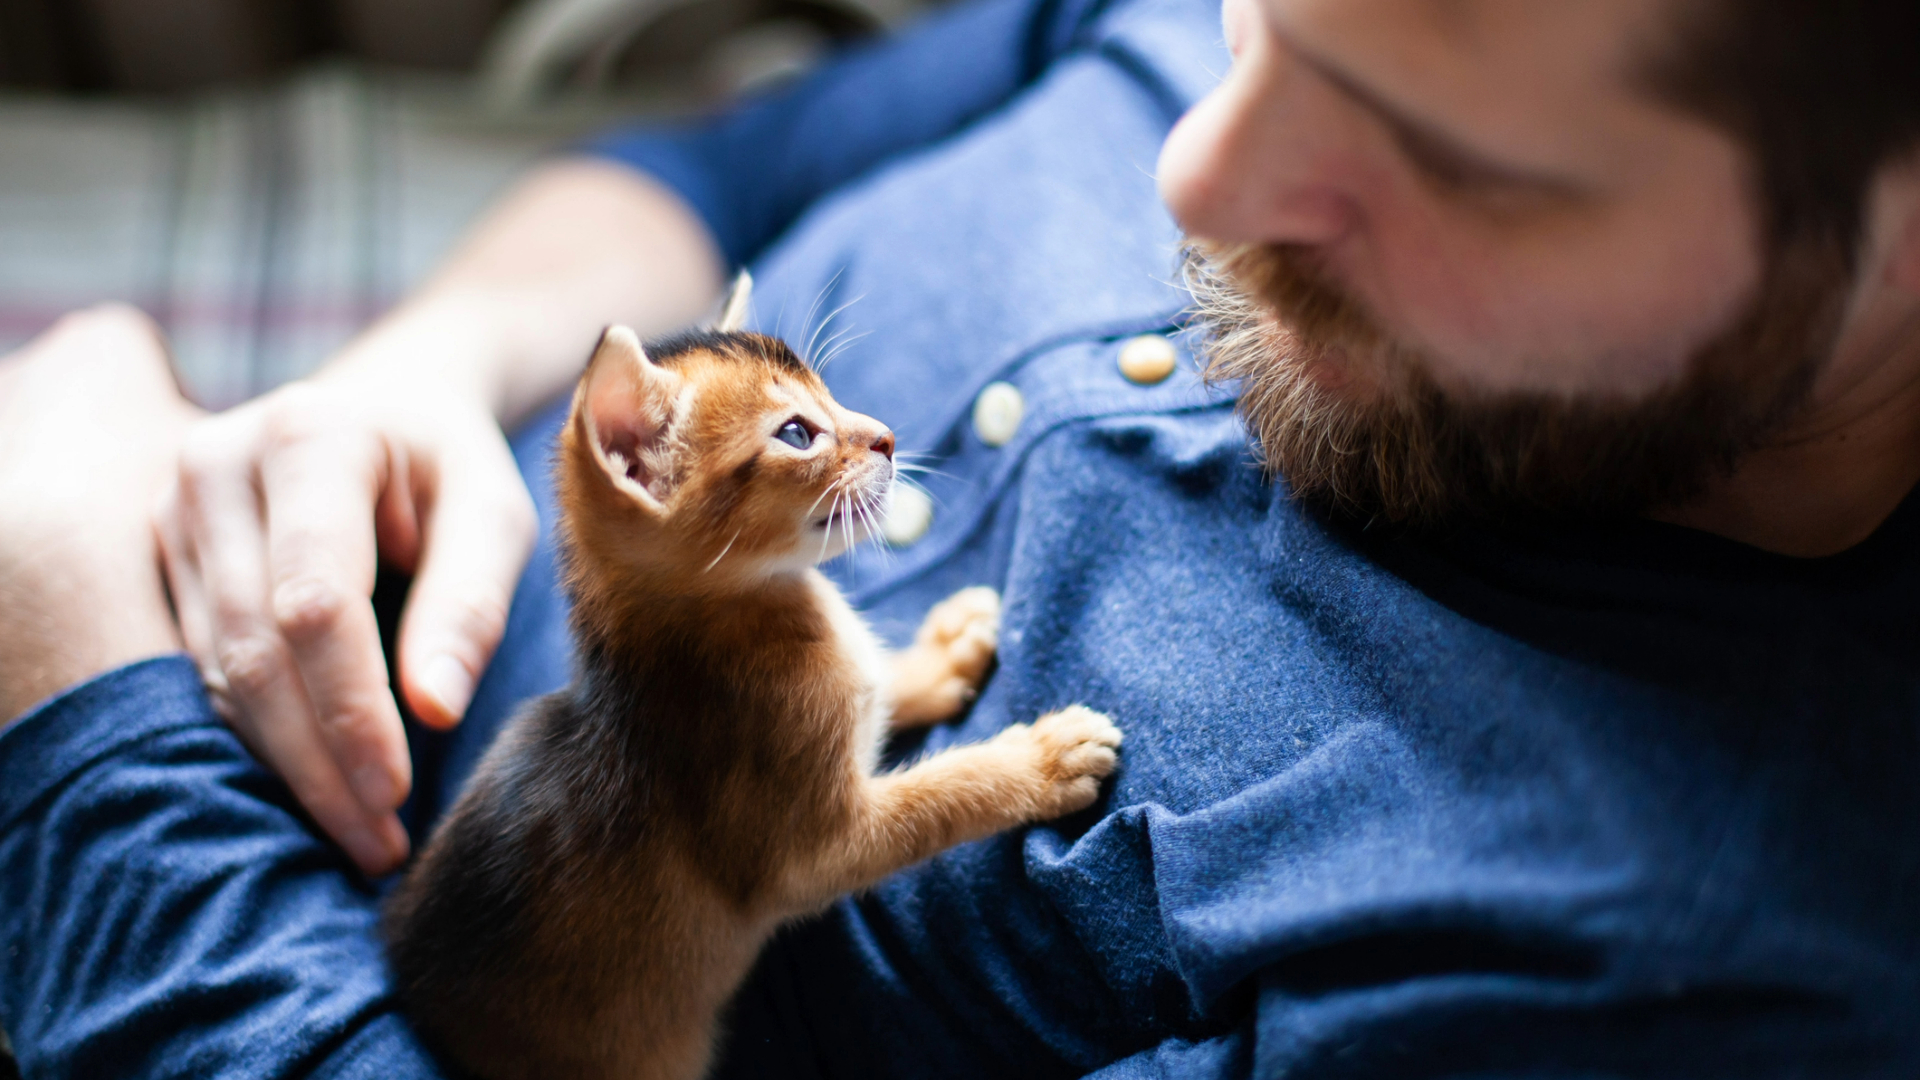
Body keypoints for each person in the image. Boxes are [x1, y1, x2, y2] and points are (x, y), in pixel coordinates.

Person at [2, 0, 1918, 1074]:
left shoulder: (1636, 993)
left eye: (1453, 168)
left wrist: (75, 695)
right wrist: (425, 367)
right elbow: (733, 164)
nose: (1200, 173)